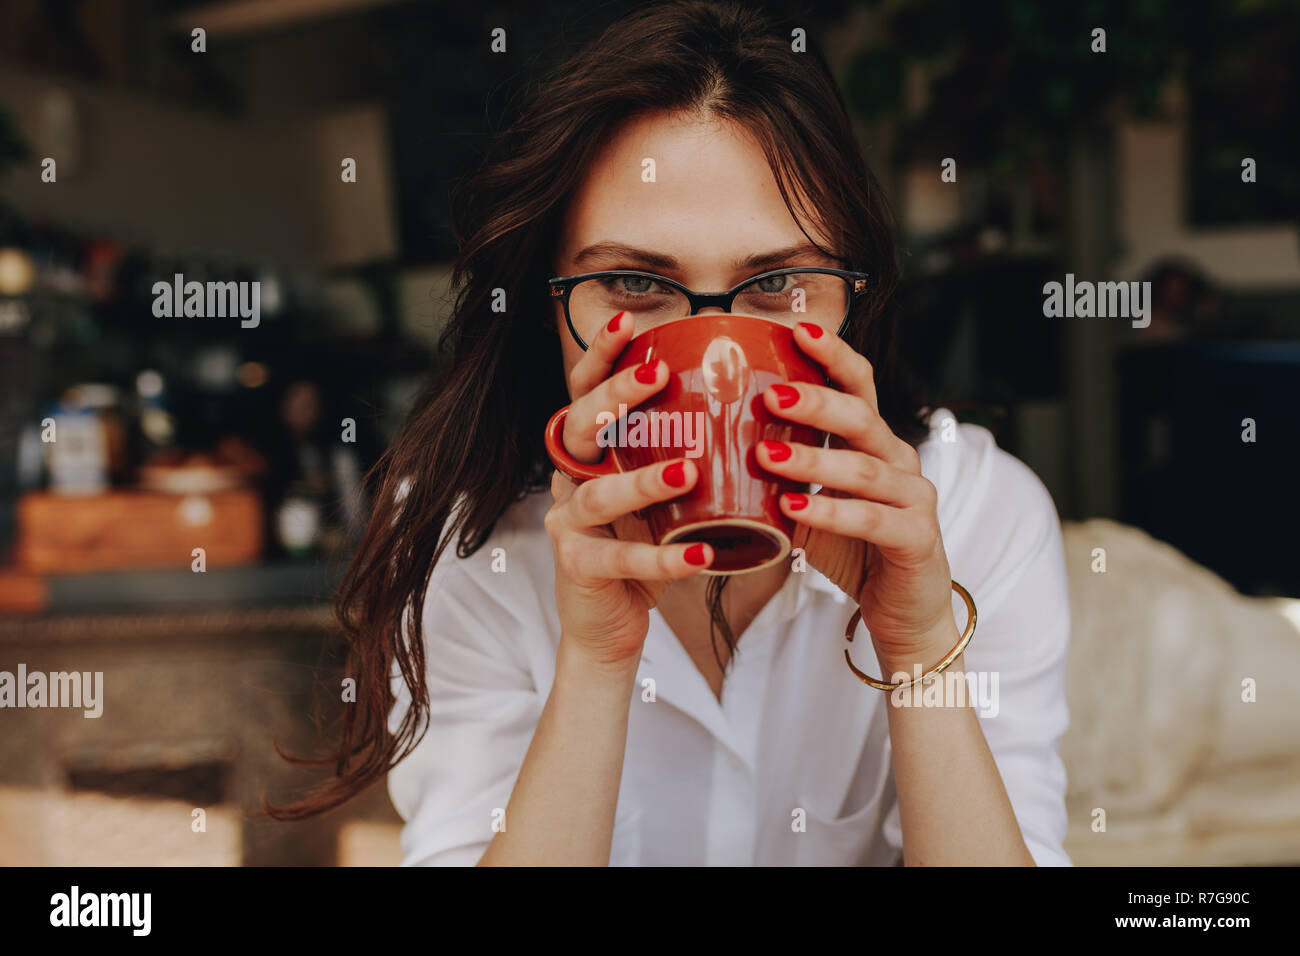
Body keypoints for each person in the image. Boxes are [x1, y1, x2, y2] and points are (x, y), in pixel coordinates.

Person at [269, 0, 1071, 867]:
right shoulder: (471, 542)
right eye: (630, 283)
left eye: (779, 285)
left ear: (856, 301)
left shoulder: (977, 512)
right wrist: (596, 660)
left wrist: (917, 653)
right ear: (549, 309)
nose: (720, 365)